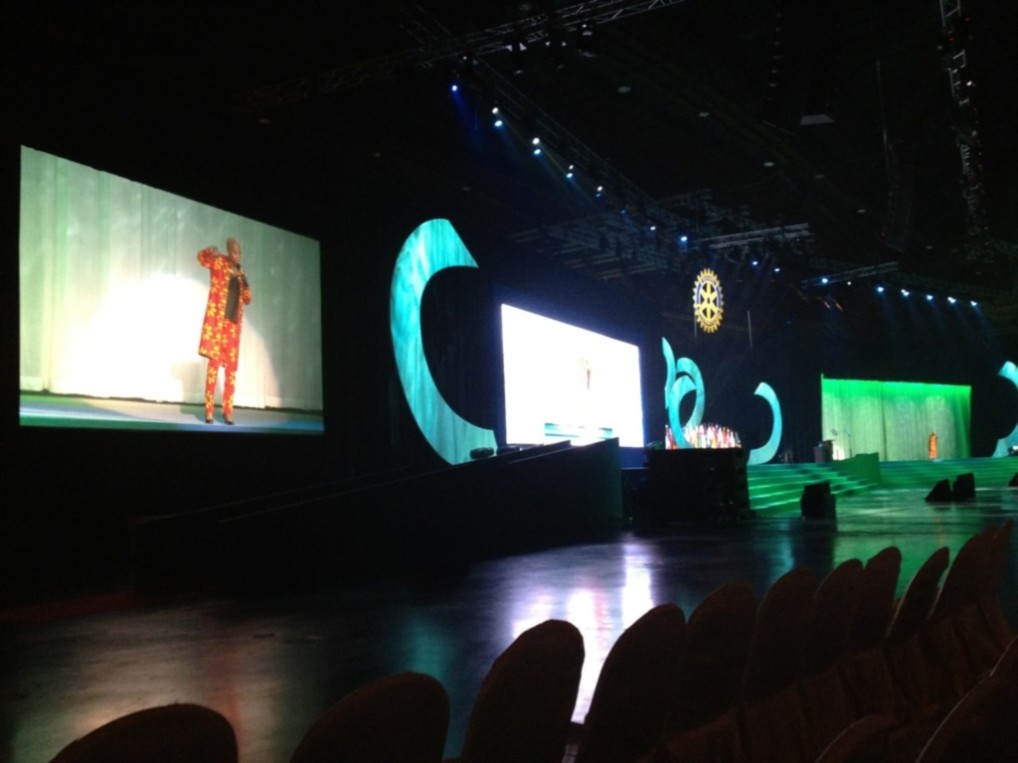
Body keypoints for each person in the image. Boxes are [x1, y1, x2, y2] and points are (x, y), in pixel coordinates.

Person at [197, 237, 251, 424]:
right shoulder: (219, 261)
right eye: (234, 251)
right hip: (217, 324)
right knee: (213, 367)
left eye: (239, 252)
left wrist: (244, 279)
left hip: (232, 327)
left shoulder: (241, 272)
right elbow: (202, 258)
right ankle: (209, 411)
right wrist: (209, 251)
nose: (237, 255)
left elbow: (247, 299)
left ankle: (228, 411)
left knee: (231, 371)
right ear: (228, 251)